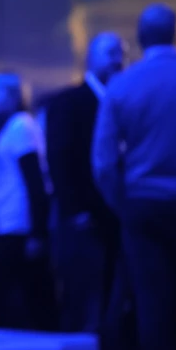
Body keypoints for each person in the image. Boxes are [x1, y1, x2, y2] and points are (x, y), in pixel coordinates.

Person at [92, 4, 176, 350]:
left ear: (139, 42)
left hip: (144, 207)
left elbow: (104, 163)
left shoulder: (122, 86)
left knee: (153, 308)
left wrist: (122, 205)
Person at [45, 32, 124, 332]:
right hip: (84, 218)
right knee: (83, 299)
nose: (118, 59)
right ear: (90, 60)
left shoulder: (121, 100)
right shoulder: (70, 102)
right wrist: (75, 210)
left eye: (120, 52)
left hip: (114, 216)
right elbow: (59, 158)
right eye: (110, 52)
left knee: (109, 299)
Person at [0, 73, 56, 330]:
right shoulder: (16, 126)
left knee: (18, 292)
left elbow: (35, 181)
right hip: (11, 221)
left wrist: (37, 233)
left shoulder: (21, 126)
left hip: (18, 223)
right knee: (29, 292)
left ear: (12, 96)